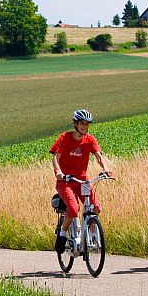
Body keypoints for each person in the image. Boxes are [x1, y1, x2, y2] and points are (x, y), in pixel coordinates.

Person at [51, 109, 114, 254]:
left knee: (95, 208)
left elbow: (98, 155)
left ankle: (91, 237)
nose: (85, 126)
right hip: (66, 180)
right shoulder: (65, 138)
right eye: (82, 123)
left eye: (87, 124)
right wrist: (58, 172)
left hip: (82, 180)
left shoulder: (90, 139)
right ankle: (62, 233)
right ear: (75, 124)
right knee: (73, 209)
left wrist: (105, 168)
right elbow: (56, 157)